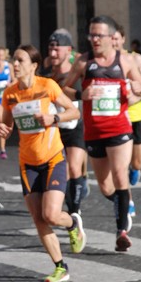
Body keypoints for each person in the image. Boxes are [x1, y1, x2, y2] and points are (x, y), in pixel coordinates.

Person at [0, 44, 86, 282]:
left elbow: (73, 113)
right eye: (14, 60)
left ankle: (73, 223)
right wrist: (2, 130)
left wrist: (53, 118)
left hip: (53, 157)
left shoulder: (47, 86)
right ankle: (60, 267)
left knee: (51, 215)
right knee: (38, 218)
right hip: (28, 163)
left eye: (20, 60)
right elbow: (7, 127)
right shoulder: (10, 94)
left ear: (33, 65)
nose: (15, 64)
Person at [65, 15, 141, 252]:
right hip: (93, 131)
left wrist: (136, 92)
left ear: (112, 37)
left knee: (121, 174)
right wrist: (81, 95)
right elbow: (63, 89)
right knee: (105, 186)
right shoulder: (83, 62)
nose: (94, 39)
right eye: (91, 34)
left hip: (120, 128)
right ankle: (124, 203)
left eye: (98, 35)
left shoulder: (125, 61)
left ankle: (121, 231)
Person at [112, 24, 141, 217]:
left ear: (123, 39)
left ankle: (136, 170)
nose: (113, 42)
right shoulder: (104, 63)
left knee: (136, 164)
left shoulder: (134, 59)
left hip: (136, 115)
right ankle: (127, 200)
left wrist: (137, 98)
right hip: (118, 119)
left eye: (116, 38)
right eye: (110, 38)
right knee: (120, 165)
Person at [44, 28, 88, 215]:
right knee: (58, 170)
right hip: (55, 128)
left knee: (73, 167)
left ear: (68, 50)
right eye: (50, 49)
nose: (53, 54)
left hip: (76, 126)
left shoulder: (77, 73)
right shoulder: (46, 74)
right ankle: (74, 191)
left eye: (57, 50)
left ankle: (74, 214)